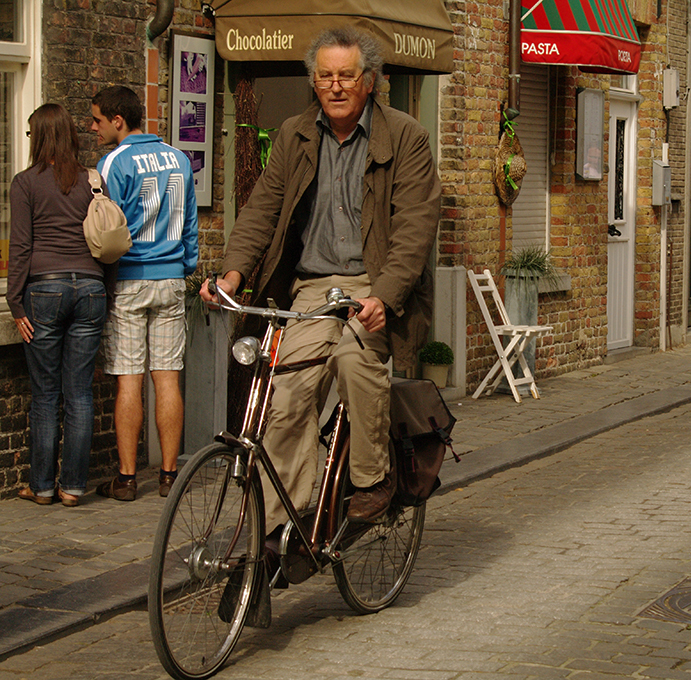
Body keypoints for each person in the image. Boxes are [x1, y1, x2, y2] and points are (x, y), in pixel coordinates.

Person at [199, 27, 440, 540]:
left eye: (346, 76)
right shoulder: (295, 133)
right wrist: (233, 272)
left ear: (369, 81)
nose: (334, 86)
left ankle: (372, 478)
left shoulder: (406, 137)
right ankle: (278, 528)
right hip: (311, 290)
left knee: (356, 360)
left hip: (373, 284)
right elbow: (263, 208)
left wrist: (385, 296)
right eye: (325, 76)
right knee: (285, 397)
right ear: (314, 80)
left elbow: (415, 228)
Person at [91, 86, 199, 501]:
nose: (94, 127)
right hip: (171, 279)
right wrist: (183, 266)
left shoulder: (113, 162)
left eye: (98, 119)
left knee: (129, 381)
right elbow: (189, 224)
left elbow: (107, 231)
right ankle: (170, 475)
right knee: (168, 379)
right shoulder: (177, 157)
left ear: (119, 120)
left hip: (130, 280)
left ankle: (127, 477)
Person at [9, 104, 109, 507]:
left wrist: (15, 303)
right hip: (90, 290)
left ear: (41, 137)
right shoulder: (91, 181)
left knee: (47, 394)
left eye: (32, 135)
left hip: (45, 292)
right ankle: (73, 488)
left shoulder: (25, 183)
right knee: (80, 393)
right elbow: (108, 241)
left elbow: (20, 248)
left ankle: (43, 486)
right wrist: (105, 292)